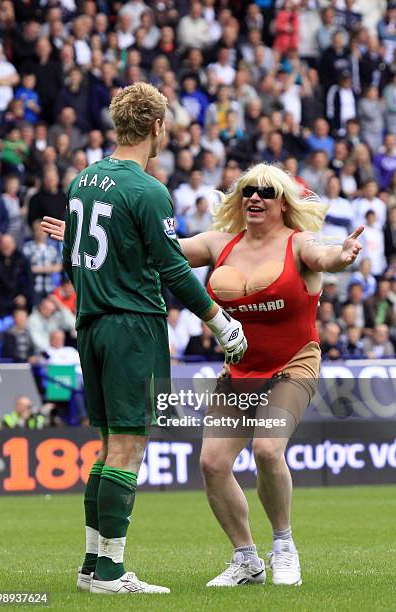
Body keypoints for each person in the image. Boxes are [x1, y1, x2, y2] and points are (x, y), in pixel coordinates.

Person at [42, 161, 363, 588]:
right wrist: (83, 237)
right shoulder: (219, 243)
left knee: (267, 449)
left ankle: (283, 545)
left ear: (283, 203)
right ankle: (246, 559)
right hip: (239, 369)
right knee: (212, 463)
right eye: (248, 189)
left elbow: (326, 256)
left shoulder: (300, 243)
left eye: (266, 191)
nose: (254, 197)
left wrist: (341, 257)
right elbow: (156, 253)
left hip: (293, 363)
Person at [43, 82, 247, 596]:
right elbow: (174, 270)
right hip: (132, 326)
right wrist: (220, 322)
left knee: (108, 447)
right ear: (156, 127)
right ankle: (112, 573)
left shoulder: (82, 181)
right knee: (128, 448)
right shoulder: (149, 189)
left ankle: (93, 565)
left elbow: (81, 259)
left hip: (91, 324)